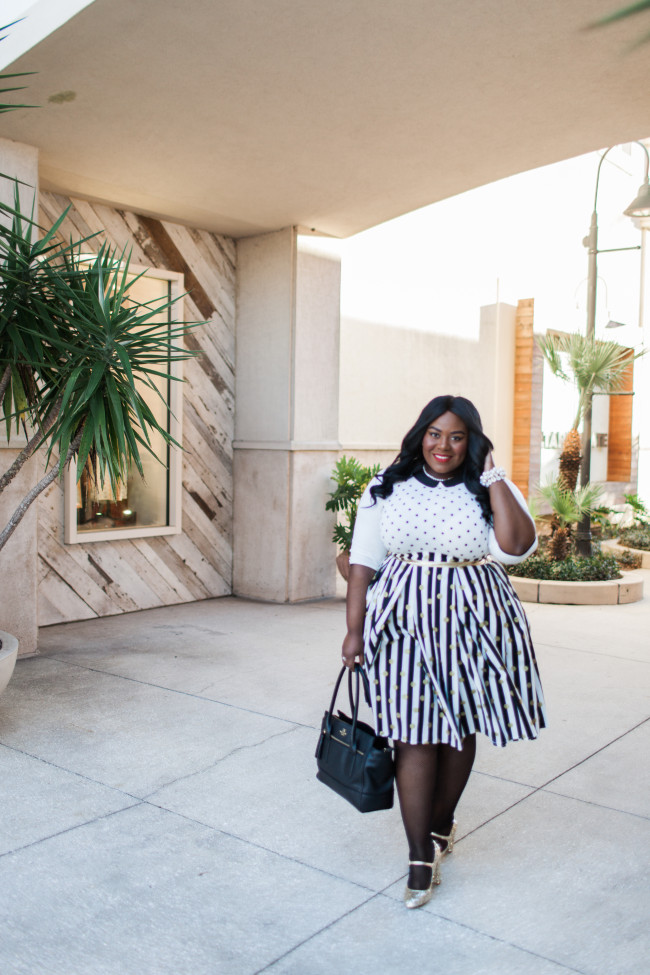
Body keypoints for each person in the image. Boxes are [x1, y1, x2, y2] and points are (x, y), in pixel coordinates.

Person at [341, 394, 546, 910]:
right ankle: (418, 856)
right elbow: (363, 563)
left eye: (457, 436)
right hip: (403, 622)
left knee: (457, 731)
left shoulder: (488, 487)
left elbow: (516, 546)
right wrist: (353, 630)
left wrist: (494, 475)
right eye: (435, 433)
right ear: (421, 435)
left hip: (472, 622)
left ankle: (439, 825)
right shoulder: (386, 487)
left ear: (471, 441)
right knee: (412, 737)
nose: (444, 445)